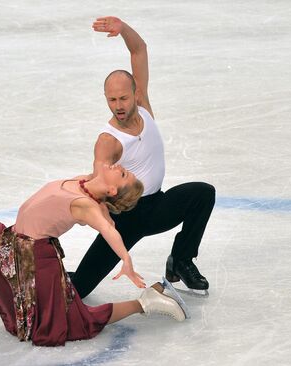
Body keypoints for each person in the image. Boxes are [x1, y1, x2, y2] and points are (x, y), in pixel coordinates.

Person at [0, 164, 185, 347]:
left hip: (35, 262)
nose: (119, 167)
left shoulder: (85, 206)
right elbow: (103, 166)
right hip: (10, 241)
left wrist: (126, 261)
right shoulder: (84, 181)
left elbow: (108, 229)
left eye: (123, 174)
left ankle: (146, 302)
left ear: (114, 190)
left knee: (75, 323)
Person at [70, 17, 216, 299]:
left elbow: (139, 51)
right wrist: (105, 222)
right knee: (79, 289)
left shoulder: (144, 106)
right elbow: (100, 182)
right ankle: (48, 275)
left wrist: (122, 28)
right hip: (127, 219)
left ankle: (181, 261)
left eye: (123, 98)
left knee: (202, 194)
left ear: (136, 94)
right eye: (112, 100)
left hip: (158, 206)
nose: (118, 106)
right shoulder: (108, 141)